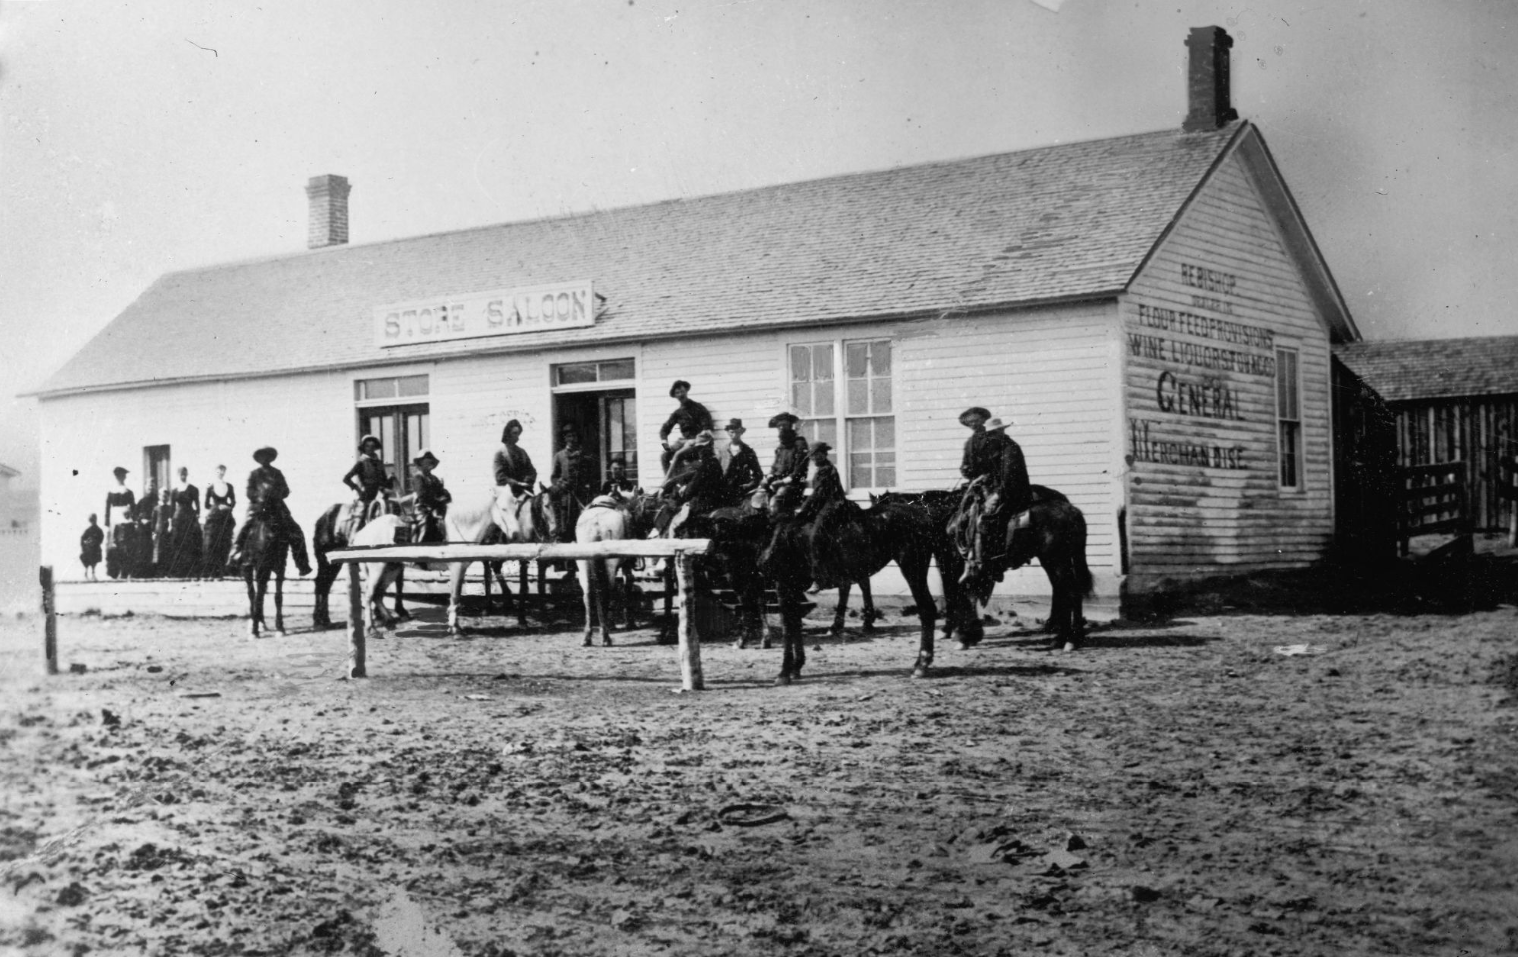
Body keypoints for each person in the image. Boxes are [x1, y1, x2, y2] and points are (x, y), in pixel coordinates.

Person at [956, 410, 1032, 582]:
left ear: (1001, 431)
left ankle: (994, 562)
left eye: (995, 433)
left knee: (987, 519)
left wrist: (996, 495)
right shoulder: (982, 444)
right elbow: (976, 467)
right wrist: (972, 473)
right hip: (990, 487)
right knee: (966, 515)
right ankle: (971, 561)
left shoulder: (1009, 448)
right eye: (991, 434)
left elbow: (1008, 477)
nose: (992, 436)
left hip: (1011, 491)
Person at [228, 447, 312, 576]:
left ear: (270, 458)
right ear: (259, 459)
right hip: (258, 507)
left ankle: (302, 563)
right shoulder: (254, 474)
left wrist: (277, 494)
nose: (265, 459)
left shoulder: (277, 473)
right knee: (245, 526)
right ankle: (234, 555)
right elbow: (249, 491)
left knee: (296, 531)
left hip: (277, 506)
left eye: (267, 457)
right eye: (262, 457)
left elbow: (286, 490)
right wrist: (259, 497)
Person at [550, 424, 595, 542]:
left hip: (581, 495)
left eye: (574, 436)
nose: (572, 439)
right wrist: (561, 483)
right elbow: (554, 477)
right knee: (564, 519)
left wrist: (587, 487)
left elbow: (590, 476)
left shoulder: (584, 455)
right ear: (565, 438)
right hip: (566, 494)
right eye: (569, 436)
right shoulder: (559, 456)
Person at [659, 380, 714, 475]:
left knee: (679, 455)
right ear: (675, 396)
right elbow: (665, 428)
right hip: (684, 441)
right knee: (664, 455)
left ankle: (674, 481)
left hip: (697, 441)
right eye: (677, 393)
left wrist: (705, 429)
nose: (680, 395)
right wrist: (665, 444)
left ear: (686, 391)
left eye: (682, 391)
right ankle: (673, 483)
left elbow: (706, 422)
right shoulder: (678, 413)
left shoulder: (698, 407)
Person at [342, 434, 392, 530]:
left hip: (380, 496)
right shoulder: (361, 462)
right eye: (367, 446)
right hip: (366, 497)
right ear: (364, 448)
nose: (370, 449)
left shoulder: (379, 463)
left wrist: (390, 480)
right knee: (359, 521)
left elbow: (384, 481)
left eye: (373, 446)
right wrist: (357, 489)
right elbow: (346, 478)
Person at [407, 449, 452, 544]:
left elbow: (444, 492)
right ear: (420, 463)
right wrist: (439, 501)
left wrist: (445, 497)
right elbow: (422, 496)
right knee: (426, 523)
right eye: (426, 461)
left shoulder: (434, 479)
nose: (428, 464)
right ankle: (419, 546)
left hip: (437, 508)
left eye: (430, 462)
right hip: (422, 509)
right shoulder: (418, 478)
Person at [797, 442, 847, 522]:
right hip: (823, 501)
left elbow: (819, 492)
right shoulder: (821, 469)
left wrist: (804, 507)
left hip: (833, 502)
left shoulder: (826, 469)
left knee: (818, 526)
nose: (813, 458)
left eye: (817, 454)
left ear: (824, 454)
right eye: (812, 455)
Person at [202, 464, 236, 578]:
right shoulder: (210, 487)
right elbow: (206, 504)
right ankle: (211, 572)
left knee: (224, 543)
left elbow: (233, 502)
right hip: (214, 519)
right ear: (215, 472)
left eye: (223, 471)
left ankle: (221, 571)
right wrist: (216, 507)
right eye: (219, 471)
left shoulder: (229, 486)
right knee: (212, 544)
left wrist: (227, 506)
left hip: (226, 518)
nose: (221, 473)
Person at [719, 418, 764, 506]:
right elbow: (716, 470)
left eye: (737, 432)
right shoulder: (723, 450)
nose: (734, 435)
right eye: (732, 432)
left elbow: (758, 474)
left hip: (741, 491)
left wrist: (749, 485)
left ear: (741, 432)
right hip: (724, 490)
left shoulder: (748, 452)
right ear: (728, 432)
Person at [168, 466, 203, 577]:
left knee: (190, 543)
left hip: (189, 518)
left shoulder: (193, 489)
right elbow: (172, 508)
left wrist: (197, 518)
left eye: (184, 474)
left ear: (187, 474)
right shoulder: (174, 491)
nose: (183, 476)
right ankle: (178, 571)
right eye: (181, 474)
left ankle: (191, 571)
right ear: (178, 475)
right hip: (178, 519)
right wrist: (170, 523)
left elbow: (198, 506)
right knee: (178, 542)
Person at [764, 412, 811, 493]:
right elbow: (775, 466)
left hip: (795, 482)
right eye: (779, 426)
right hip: (778, 480)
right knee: (759, 493)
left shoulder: (799, 444)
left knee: (780, 494)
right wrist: (769, 476)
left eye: (784, 425)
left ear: (790, 426)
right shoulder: (781, 446)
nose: (781, 428)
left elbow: (799, 470)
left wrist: (783, 482)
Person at [103, 467, 136, 580]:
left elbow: (134, 508)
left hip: (127, 522)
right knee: (116, 547)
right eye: (119, 476)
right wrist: (107, 525)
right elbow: (107, 509)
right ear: (116, 477)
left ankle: (127, 571)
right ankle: (116, 571)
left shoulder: (128, 492)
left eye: (123, 476)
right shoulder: (111, 492)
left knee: (127, 546)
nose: (121, 478)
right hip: (115, 521)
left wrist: (132, 517)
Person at [493, 419, 538, 493]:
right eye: (514, 433)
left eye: (518, 433)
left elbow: (532, 471)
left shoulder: (522, 452)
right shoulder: (500, 454)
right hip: (507, 492)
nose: (517, 436)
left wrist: (527, 481)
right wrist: (516, 483)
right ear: (508, 434)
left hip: (524, 491)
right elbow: (500, 477)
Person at [80, 514, 104, 581]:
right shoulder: (88, 530)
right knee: (86, 559)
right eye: (92, 520)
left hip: (96, 548)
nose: (93, 521)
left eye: (94, 520)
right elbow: (82, 538)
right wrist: (84, 546)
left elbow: (101, 538)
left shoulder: (99, 530)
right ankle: (86, 573)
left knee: (94, 560)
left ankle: (93, 574)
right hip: (88, 549)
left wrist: (96, 542)